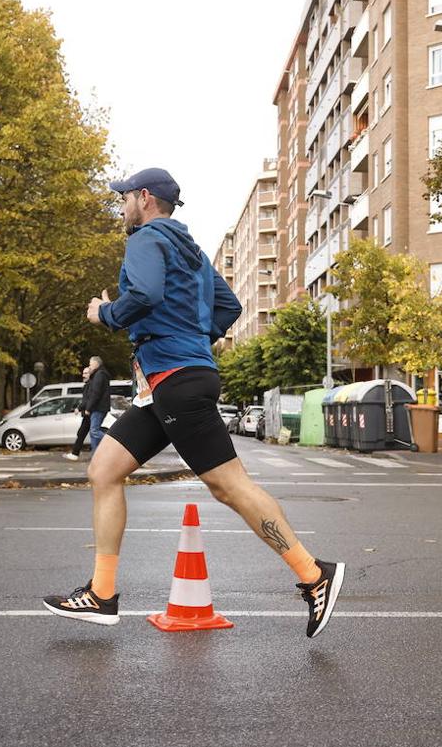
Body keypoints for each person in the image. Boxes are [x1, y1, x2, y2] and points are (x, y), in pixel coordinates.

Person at [43, 167, 345, 637]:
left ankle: (313, 574)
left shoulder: (145, 239)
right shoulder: (193, 252)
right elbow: (229, 307)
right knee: (103, 470)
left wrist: (105, 313)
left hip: (177, 380)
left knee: (229, 486)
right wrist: (190, 337)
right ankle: (101, 594)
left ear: (144, 198)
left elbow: (142, 294)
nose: (121, 207)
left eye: (123, 198)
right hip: (170, 383)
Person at [63, 363, 94, 462]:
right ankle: (75, 453)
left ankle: (75, 453)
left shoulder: (89, 385)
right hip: (88, 413)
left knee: (87, 433)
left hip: (89, 413)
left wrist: (79, 408)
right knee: (83, 433)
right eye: (83, 373)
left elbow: (87, 400)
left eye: (86, 373)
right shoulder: (88, 385)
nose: (83, 375)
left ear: (90, 374)